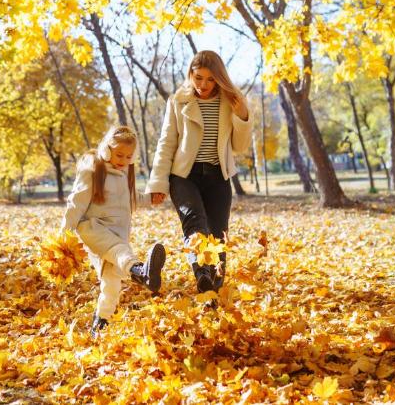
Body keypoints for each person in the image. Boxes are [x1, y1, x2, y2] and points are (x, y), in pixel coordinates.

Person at [145, 50, 253, 293]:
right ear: (190, 75)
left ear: (219, 79)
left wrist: (242, 114)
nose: (203, 84)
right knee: (194, 221)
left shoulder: (230, 102)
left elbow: (240, 146)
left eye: (210, 79)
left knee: (218, 234)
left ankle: (214, 289)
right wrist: (158, 184)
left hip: (218, 177)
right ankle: (201, 272)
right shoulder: (178, 101)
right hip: (184, 176)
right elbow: (166, 143)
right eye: (198, 77)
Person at [62, 126, 166, 338]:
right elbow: (76, 203)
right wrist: (64, 234)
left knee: (111, 284)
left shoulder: (124, 173)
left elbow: (129, 200)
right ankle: (140, 271)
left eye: (128, 156)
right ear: (107, 149)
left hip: (118, 232)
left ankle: (100, 323)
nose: (123, 160)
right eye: (119, 154)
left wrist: (150, 199)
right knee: (120, 251)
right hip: (93, 227)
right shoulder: (92, 170)